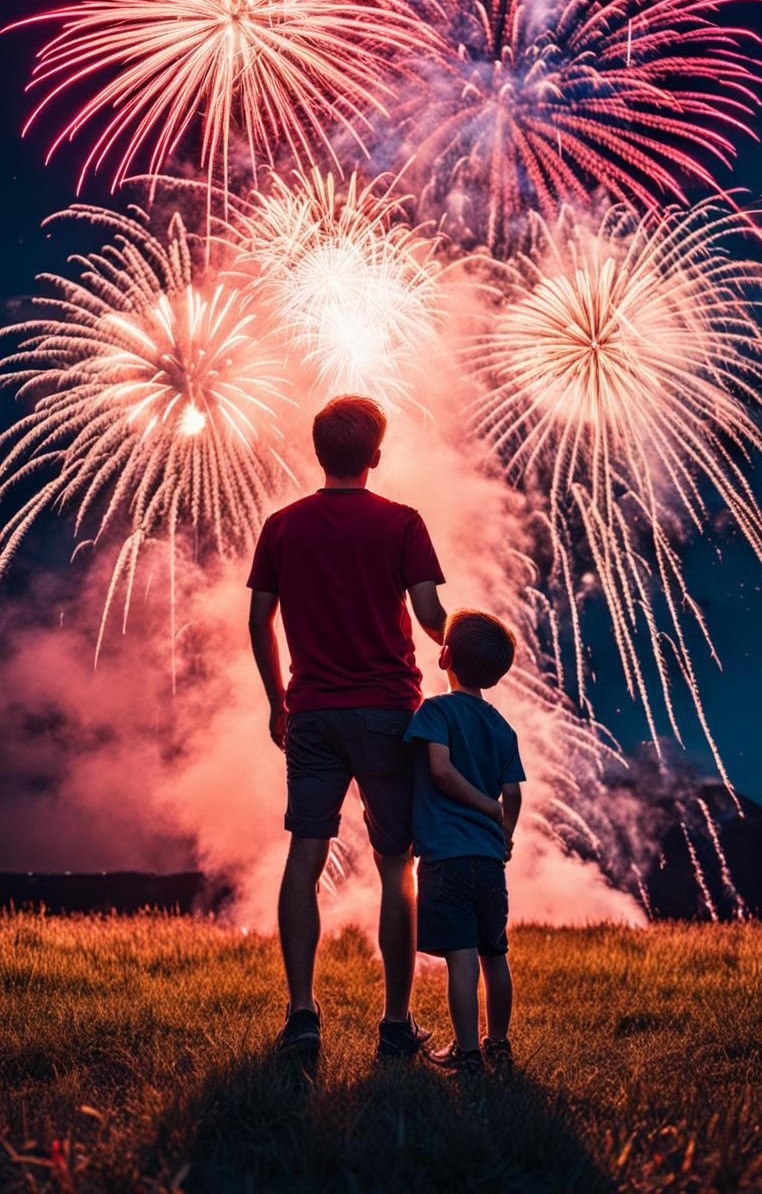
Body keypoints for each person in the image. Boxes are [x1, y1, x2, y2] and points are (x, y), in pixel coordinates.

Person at [247, 395, 447, 1058]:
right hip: (389, 711)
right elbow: (428, 614)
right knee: (397, 865)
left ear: (318, 452)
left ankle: (302, 1014)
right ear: (377, 457)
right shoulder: (402, 523)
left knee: (305, 857)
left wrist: (279, 701)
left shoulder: (282, 526)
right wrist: (462, 650)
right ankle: (396, 1024)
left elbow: (259, 621)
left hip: (313, 713)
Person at [403, 608, 524, 1074]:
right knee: (496, 955)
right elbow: (513, 791)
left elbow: (439, 770)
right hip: (489, 860)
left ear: (445, 656)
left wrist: (485, 808)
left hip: (445, 857)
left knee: (461, 960)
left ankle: (467, 1052)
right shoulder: (501, 727)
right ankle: (499, 1044)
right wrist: (504, 833)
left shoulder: (434, 712)